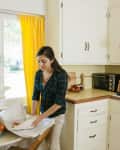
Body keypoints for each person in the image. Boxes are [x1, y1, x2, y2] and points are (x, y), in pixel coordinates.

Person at [32, 46, 68, 150]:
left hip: (57, 115)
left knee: (53, 144)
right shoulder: (38, 74)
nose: (40, 64)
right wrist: (34, 115)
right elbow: (35, 96)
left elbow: (59, 102)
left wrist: (40, 117)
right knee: (41, 143)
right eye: (38, 61)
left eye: (43, 61)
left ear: (51, 60)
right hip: (43, 114)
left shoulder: (61, 75)